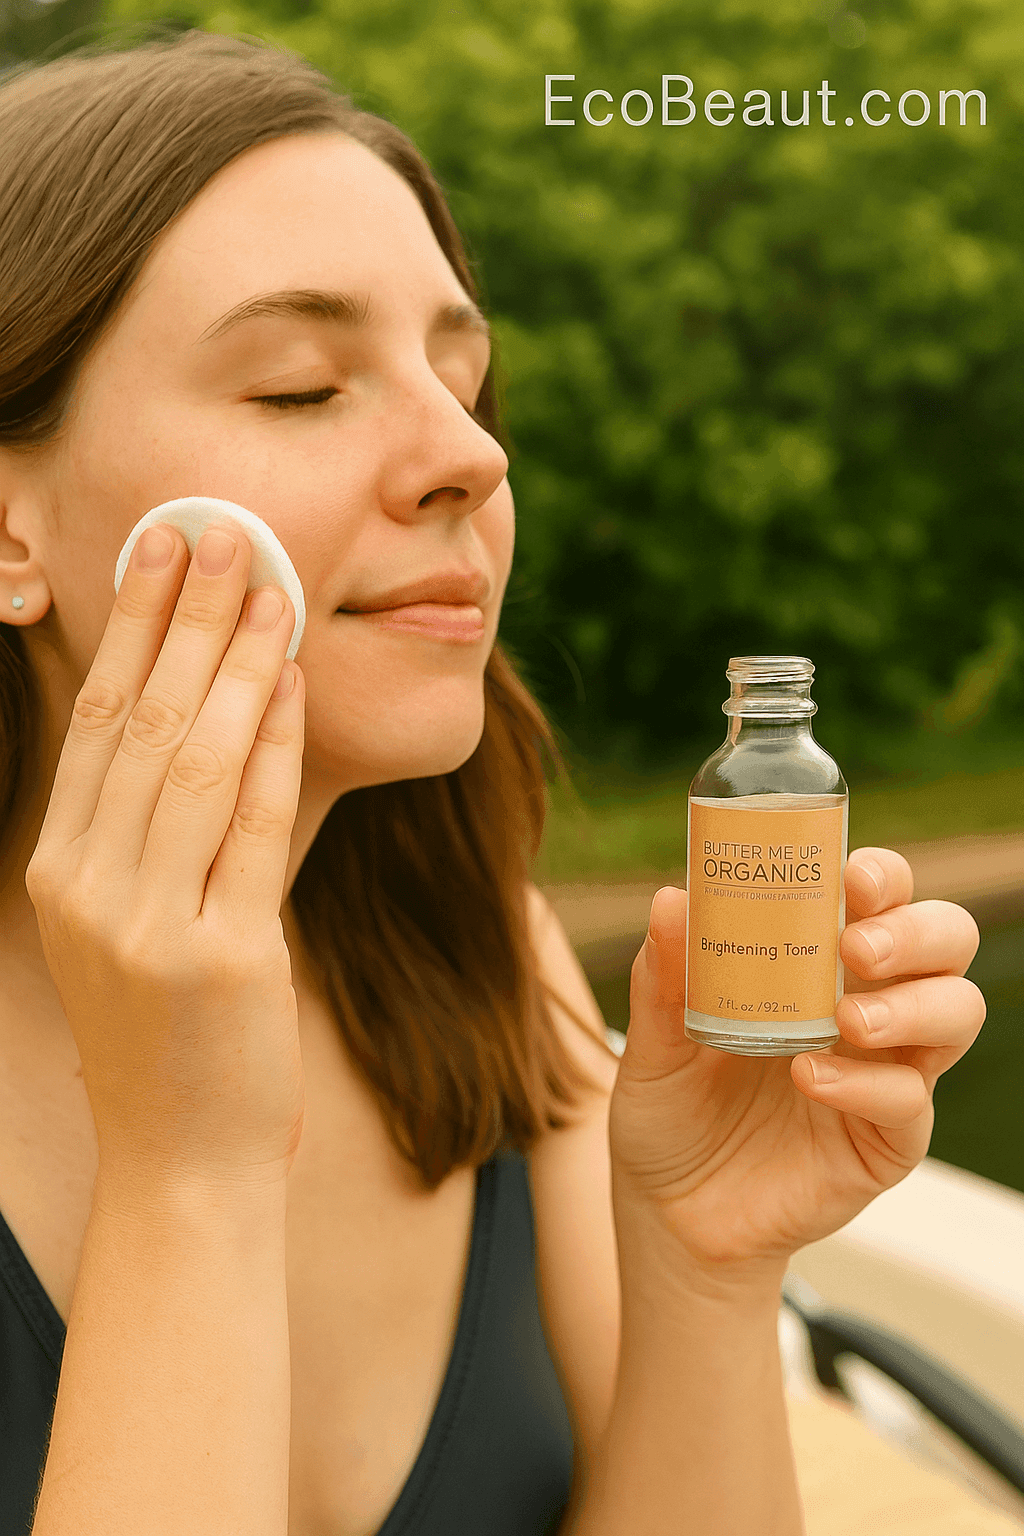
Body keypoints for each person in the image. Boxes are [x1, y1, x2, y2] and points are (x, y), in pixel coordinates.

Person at [0, 28, 987, 1536]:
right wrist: (186, 1172)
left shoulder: (485, 955)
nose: (467, 452)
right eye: (298, 388)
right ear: (11, 527)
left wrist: (703, 1266)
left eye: (465, 381)